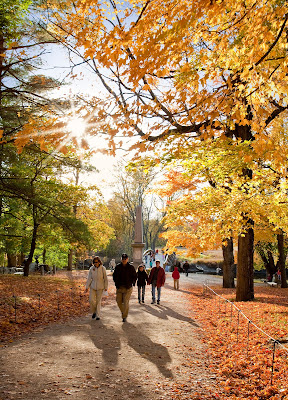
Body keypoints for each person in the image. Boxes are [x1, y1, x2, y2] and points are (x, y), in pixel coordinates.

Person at [113, 253, 137, 322]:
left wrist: (132, 283)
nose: (124, 260)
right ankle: (124, 311)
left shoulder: (131, 267)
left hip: (128, 288)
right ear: (121, 259)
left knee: (126, 302)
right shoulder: (118, 267)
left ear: (127, 259)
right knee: (118, 301)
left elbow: (135, 276)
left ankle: (124, 316)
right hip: (119, 287)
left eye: (125, 259)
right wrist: (116, 283)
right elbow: (114, 276)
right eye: (123, 259)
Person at [85, 256, 108, 320]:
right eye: (94, 262)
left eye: (96, 262)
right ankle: (94, 311)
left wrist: (106, 287)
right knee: (91, 300)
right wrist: (87, 287)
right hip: (93, 286)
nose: (95, 263)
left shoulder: (103, 268)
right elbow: (89, 278)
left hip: (100, 287)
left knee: (98, 301)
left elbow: (105, 279)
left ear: (99, 262)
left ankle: (98, 315)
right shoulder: (91, 269)